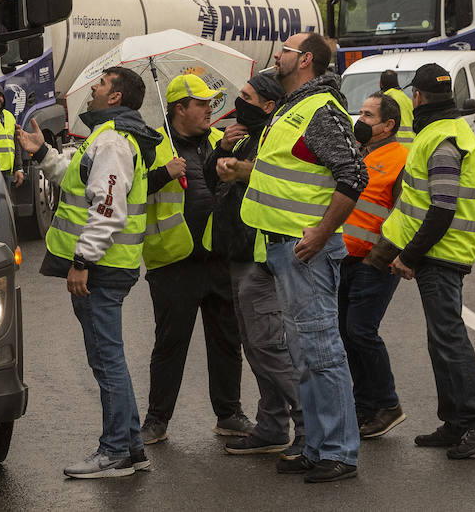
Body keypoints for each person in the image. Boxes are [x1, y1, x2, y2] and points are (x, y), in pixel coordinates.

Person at [16, 66, 161, 479]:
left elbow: (107, 210)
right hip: (106, 266)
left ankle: (114, 452)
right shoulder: (105, 136)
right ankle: (131, 449)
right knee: (108, 358)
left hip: (101, 269)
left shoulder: (113, 140)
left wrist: (82, 262)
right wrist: (42, 152)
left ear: (114, 97)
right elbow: (75, 178)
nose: (93, 89)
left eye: (99, 84)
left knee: (106, 360)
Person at [240, 32, 367, 484]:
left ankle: (338, 451)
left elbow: (354, 174)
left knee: (321, 351)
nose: (278, 55)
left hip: (304, 249)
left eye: (286, 50)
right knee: (305, 354)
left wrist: (322, 232)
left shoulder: (321, 110)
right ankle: (316, 445)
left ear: (306, 59)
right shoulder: (295, 108)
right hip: (283, 248)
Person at [367, 63, 475, 460]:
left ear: (417, 98)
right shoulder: (444, 130)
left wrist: (409, 255)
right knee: (440, 338)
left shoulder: (442, 137)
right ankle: (456, 421)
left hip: (440, 254)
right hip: (438, 251)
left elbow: (442, 208)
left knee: (449, 337)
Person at [139, 74, 248, 446]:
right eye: (202, 104)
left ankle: (229, 414)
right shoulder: (153, 145)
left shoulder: (221, 141)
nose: (209, 110)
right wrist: (161, 174)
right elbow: (130, 193)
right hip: (173, 261)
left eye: (211, 103)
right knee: (170, 344)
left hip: (219, 257)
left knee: (226, 340)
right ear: (179, 108)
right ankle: (156, 420)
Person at [204, 72, 307, 458]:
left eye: (246, 96)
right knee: (253, 344)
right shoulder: (247, 137)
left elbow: (277, 183)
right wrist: (221, 152)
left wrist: (239, 166)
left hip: (260, 253)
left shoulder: (274, 137)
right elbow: (216, 181)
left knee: (268, 345)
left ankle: (307, 424)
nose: (237, 103)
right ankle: (272, 424)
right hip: (237, 251)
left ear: (267, 105)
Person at [339, 93, 409, 440]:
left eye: (368, 115)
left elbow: (402, 214)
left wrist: (377, 259)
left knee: (361, 331)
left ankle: (387, 404)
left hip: (374, 262)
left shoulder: (400, 159)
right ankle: (365, 406)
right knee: (348, 334)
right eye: (361, 112)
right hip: (344, 259)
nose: (361, 119)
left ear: (388, 125)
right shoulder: (358, 152)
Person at [0, 82, 25, 190]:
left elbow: (15, 145)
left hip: (6, 172)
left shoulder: (9, 116)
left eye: (0, 95)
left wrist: (18, 168)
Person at [378, 69, 415, 145]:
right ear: (397, 82)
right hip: (412, 145)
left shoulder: (385, 99)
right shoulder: (407, 99)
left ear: (381, 84)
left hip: (395, 145)